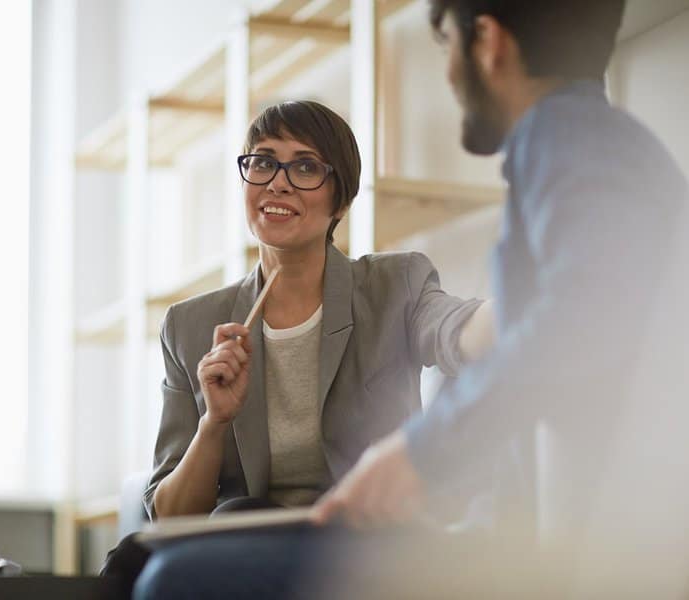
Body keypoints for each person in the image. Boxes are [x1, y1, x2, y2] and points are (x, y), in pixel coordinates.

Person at [133, 0, 689, 597]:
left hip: (529, 540)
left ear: (488, 42)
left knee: (173, 581)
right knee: (172, 565)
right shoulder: (592, 143)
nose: (447, 72)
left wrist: (419, 455)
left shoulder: (564, 139)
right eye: (263, 164)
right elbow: (564, 322)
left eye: (446, 43)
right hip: (529, 527)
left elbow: (562, 326)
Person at [146, 99, 493, 520]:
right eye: (263, 163)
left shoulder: (395, 286)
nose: (278, 183)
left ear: (340, 202)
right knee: (224, 517)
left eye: (306, 167)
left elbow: (454, 329)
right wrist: (214, 422)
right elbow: (170, 516)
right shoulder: (188, 326)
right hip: (246, 539)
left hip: (362, 533)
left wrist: (531, 306)